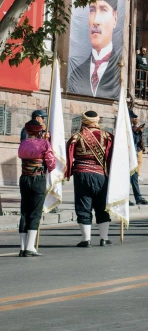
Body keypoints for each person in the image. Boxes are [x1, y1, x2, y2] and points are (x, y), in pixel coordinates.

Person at [65, 110, 113, 247]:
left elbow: (68, 154)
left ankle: (86, 239)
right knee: (102, 206)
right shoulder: (108, 136)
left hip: (82, 174)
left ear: (84, 121)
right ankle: (104, 238)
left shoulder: (77, 137)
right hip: (101, 175)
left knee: (83, 205)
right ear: (97, 121)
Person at [68, 0, 121, 98]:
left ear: (115, 18)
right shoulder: (75, 74)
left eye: (103, 10)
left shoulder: (119, 71)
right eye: (92, 10)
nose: (96, 21)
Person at [17, 119, 56, 256]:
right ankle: (30, 247)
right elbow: (51, 164)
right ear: (39, 130)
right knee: (35, 213)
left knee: (25, 212)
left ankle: (22, 247)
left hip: (24, 178)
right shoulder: (44, 143)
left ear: (27, 130)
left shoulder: (23, 143)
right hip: (37, 178)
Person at [128, 111, 148, 206]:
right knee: (127, 179)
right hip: (127, 157)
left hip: (133, 156)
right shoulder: (126, 129)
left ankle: (138, 198)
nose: (133, 119)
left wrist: (138, 132)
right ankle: (125, 198)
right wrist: (137, 133)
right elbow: (132, 141)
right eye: (132, 117)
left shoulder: (131, 129)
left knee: (134, 178)